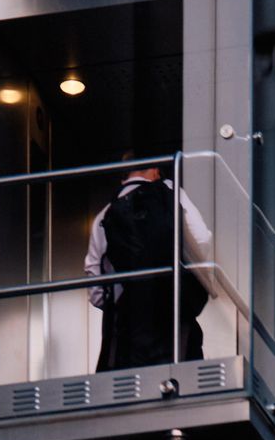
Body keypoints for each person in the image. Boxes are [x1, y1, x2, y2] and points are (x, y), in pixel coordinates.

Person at [85, 158, 214, 370]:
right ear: (155, 170)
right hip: (173, 315)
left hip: (129, 330)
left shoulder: (104, 214)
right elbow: (201, 239)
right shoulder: (171, 192)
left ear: (122, 177)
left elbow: (96, 292)